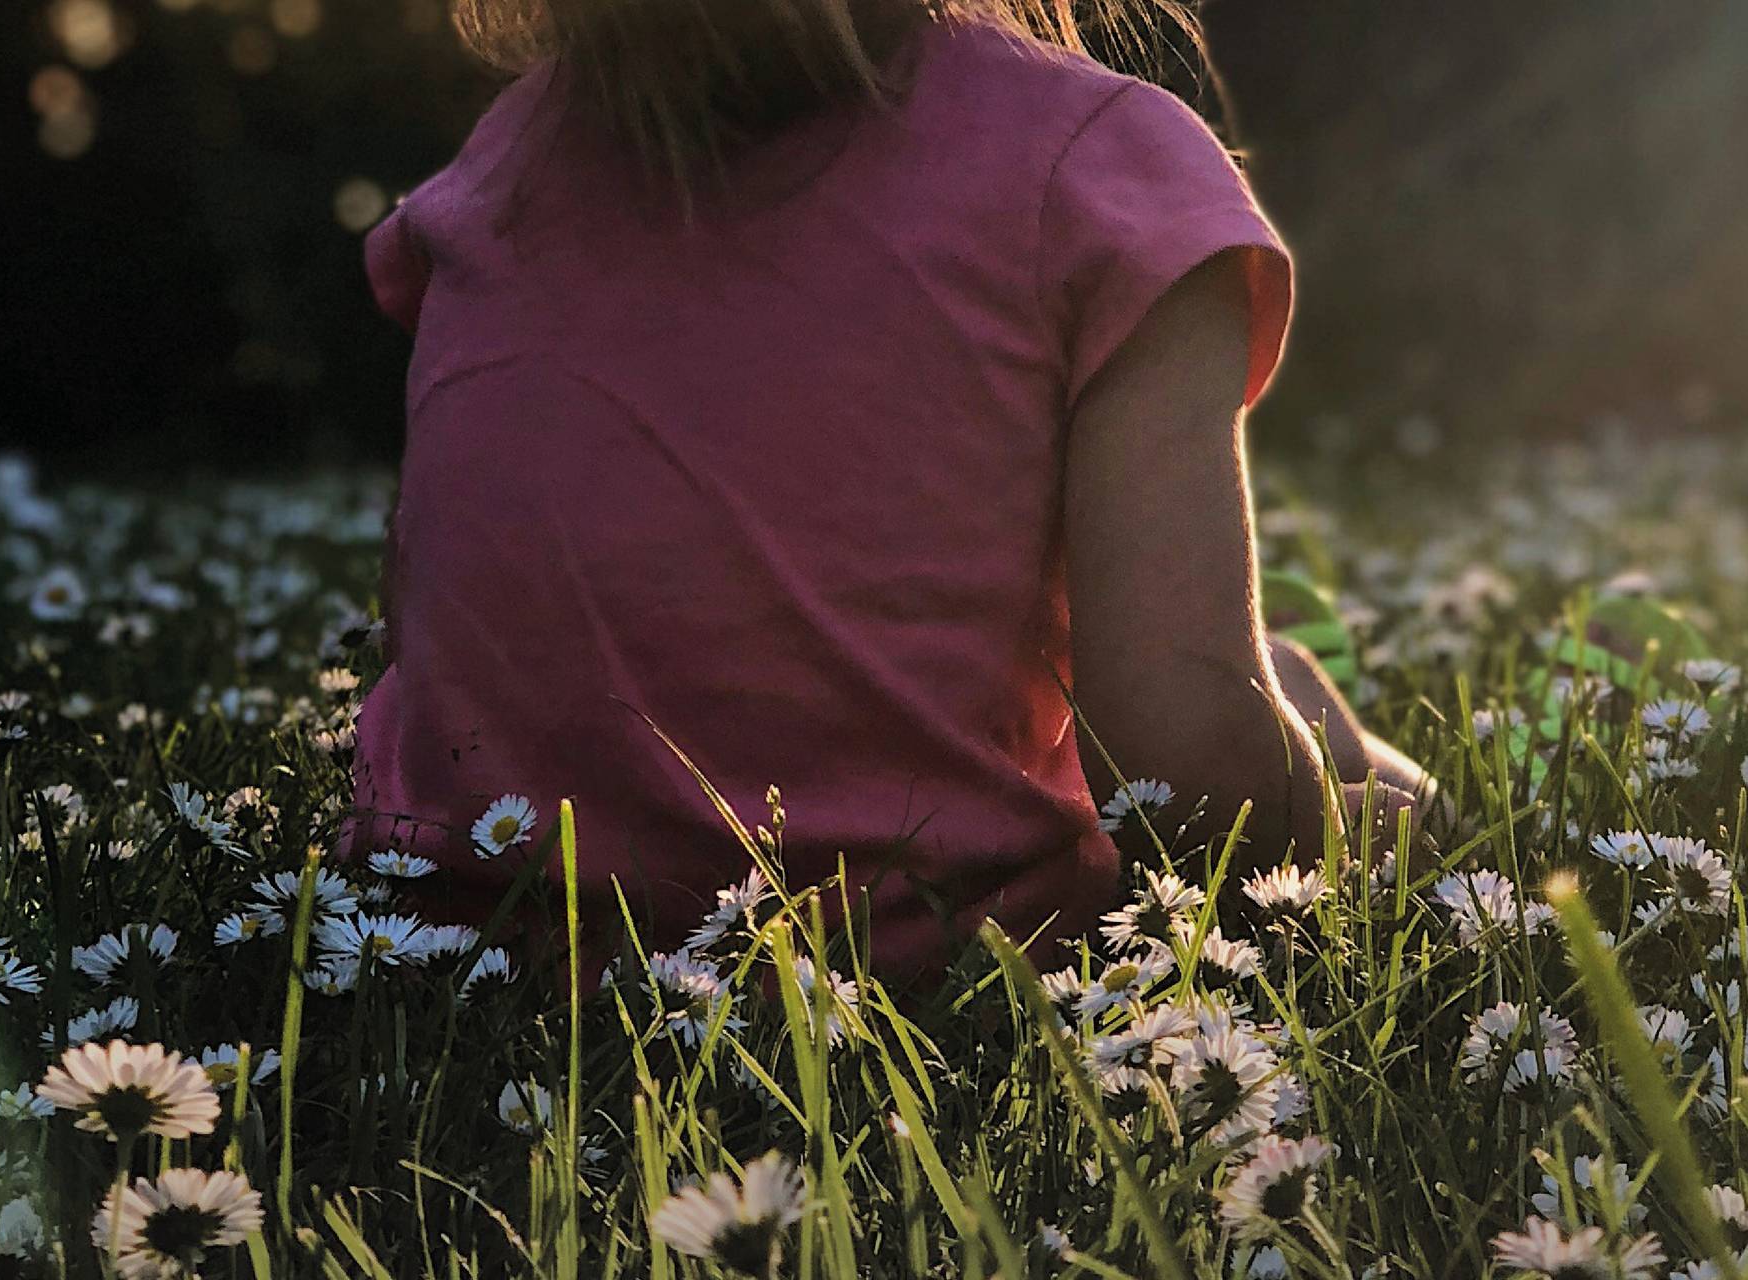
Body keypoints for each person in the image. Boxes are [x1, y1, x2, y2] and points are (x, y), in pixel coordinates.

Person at [348, 0, 1431, 978]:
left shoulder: (503, 169)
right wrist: (1394, 829)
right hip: (921, 963)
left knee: (1284, 673)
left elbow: (447, 615)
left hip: (467, 948)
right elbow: (1188, 768)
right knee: (1294, 724)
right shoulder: (1098, 170)